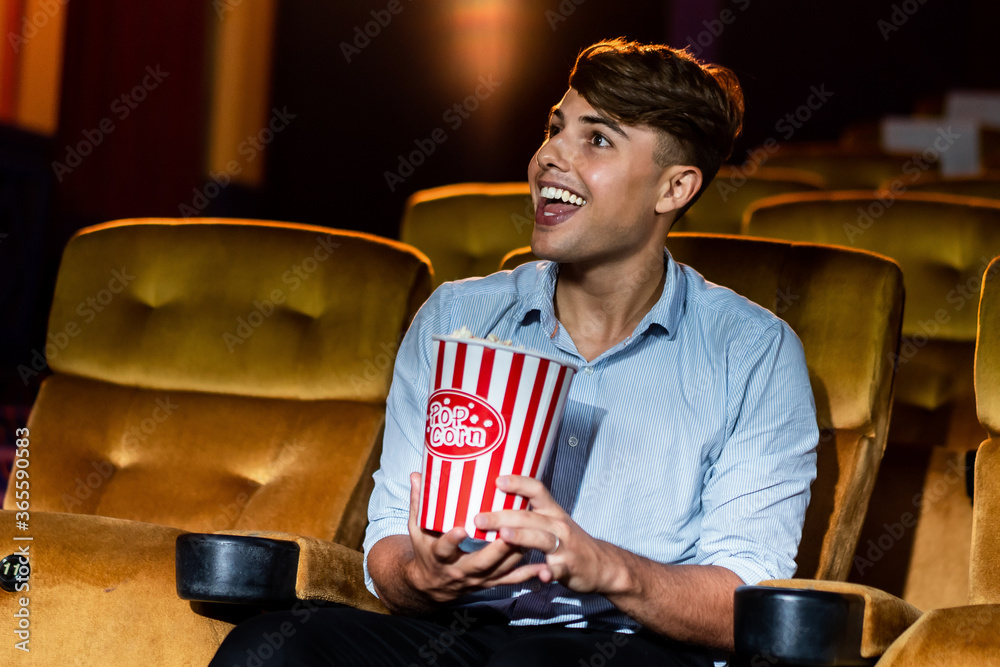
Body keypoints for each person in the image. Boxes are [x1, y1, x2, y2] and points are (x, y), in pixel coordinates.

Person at [210, 37, 818, 667]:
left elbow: (748, 600)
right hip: (465, 635)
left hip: (640, 649)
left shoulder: (755, 353)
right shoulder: (455, 317)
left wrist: (607, 568)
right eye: (555, 129)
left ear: (674, 189)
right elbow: (387, 543)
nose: (551, 156)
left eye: (598, 139)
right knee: (265, 650)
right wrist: (424, 576)